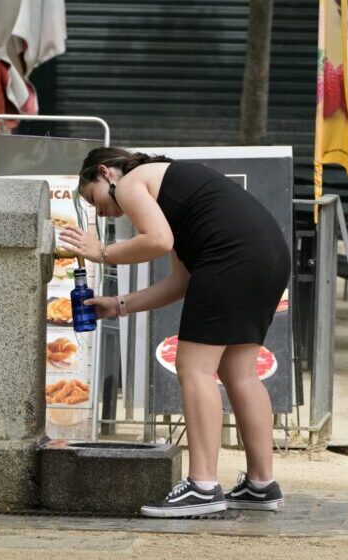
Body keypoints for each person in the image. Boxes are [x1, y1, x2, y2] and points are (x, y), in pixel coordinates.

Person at [60, 148, 291, 518]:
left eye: (93, 198)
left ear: (106, 173)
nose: (100, 212)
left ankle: (202, 486)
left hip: (231, 257)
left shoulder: (133, 181)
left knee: (194, 368)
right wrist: (119, 304)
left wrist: (102, 252)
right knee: (239, 373)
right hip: (268, 256)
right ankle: (261, 485)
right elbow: (180, 282)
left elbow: (158, 241)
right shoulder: (172, 192)